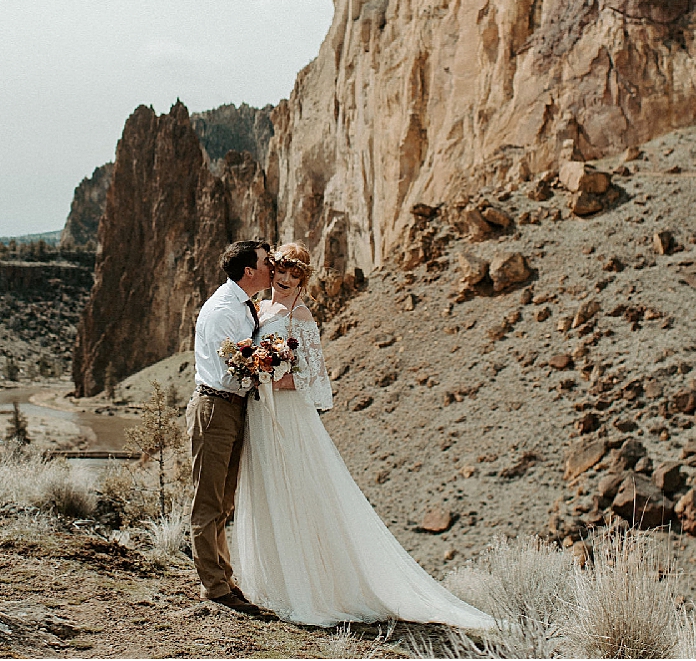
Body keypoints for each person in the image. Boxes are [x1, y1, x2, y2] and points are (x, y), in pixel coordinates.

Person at [230, 242, 496, 630]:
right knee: (266, 489)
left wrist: (266, 374)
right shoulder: (261, 310)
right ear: (271, 270)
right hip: (259, 411)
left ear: (302, 281)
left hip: (286, 415)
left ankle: (310, 589)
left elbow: (313, 378)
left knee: (296, 493)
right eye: (281, 271)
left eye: (294, 275)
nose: (285, 280)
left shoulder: (299, 316)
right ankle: (271, 582)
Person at [188, 239, 274, 616]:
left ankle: (224, 578)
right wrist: (267, 371)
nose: (272, 267)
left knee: (224, 501)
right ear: (249, 271)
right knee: (208, 502)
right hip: (215, 408)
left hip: (232, 408)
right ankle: (215, 587)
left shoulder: (242, 305)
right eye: (266, 262)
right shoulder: (224, 309)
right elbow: (230, 369)